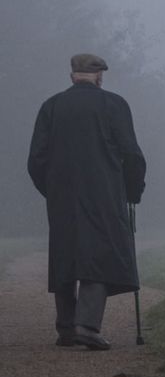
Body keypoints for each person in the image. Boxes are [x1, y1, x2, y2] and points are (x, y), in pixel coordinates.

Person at [27, 53, 146, 350]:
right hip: (104, 192)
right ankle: (87, 325)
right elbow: (131, 154)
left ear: (72, 76)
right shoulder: (114, 104)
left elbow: (35, 160)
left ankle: (67, 327)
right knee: (100, 250)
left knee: (65, 252)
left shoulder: (51, 106)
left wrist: (51, 189)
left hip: (61, 194)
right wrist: (132, 191)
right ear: (100, 77)